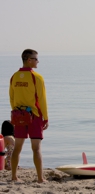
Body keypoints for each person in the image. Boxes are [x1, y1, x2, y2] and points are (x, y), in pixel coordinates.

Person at [9, 49, 49, 183]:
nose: (38, 61)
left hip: (19, 115)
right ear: (29, 60)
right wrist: (46, 117)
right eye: (36, 59)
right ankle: (40, 178)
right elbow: (42, 99)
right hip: (34, 116)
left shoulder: (14, 76)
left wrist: (15, 112)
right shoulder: (36, 77)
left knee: (17, 147)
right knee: (36, 148)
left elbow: (12, 98)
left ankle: (14, 176)